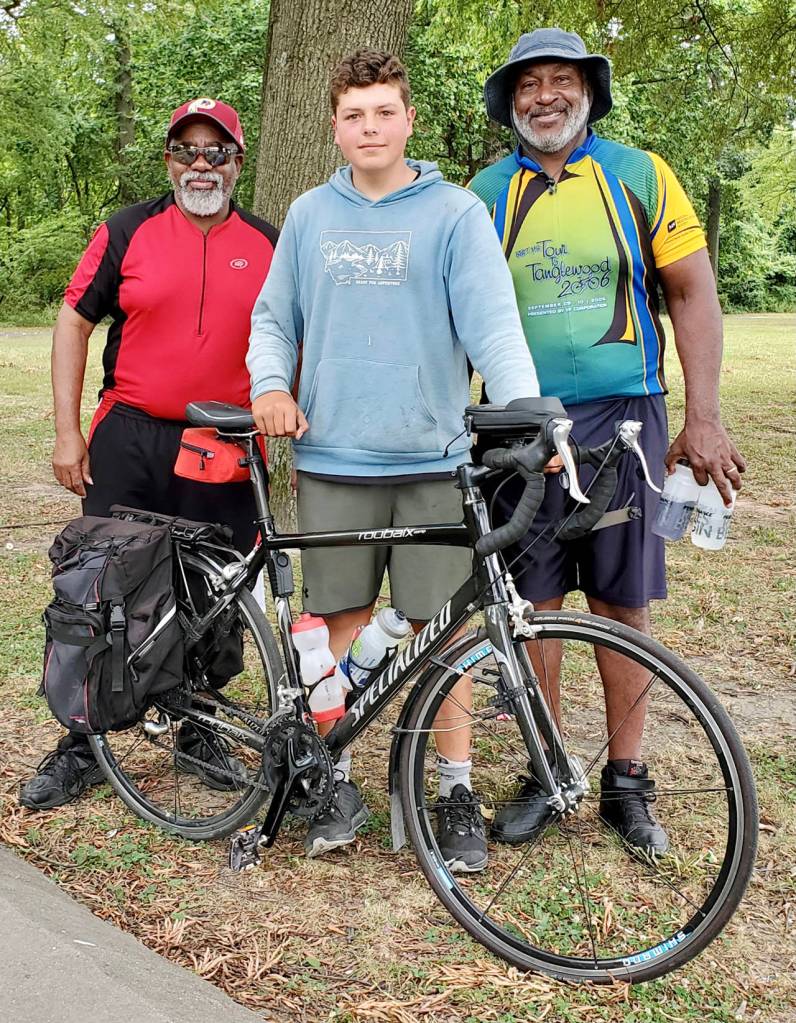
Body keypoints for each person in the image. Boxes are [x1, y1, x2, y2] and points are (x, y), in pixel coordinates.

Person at [247, 50, 541, 872]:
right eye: (354, 115)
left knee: (442, 632)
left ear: (409, 119)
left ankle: (452, 788)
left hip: (432, 459)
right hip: (333, 456)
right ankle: (333, 777)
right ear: (335, 127)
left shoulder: (454, 214)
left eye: (384, 112)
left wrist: (526, 413)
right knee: (340, 621)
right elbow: (274, 318)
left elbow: (494, 326)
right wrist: (270, 384)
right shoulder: (309, 215)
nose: (370, 127)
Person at [469, 28, 746, 856]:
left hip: (625, 417)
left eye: (562, 79)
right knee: (531, 605)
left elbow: (692, 292)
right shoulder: (483, 193)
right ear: (510, 102)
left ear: (589, 91)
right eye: (528, 84)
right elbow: (455, 314)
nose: (544, 96)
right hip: (519, 425)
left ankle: (627, 780)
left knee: (623, 599)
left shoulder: (639, 174)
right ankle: (547, 769)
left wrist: (704, 415)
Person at [20, 98, 279, 811]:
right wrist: (67, 431)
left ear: (237, 161)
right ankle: (84, 738)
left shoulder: (269, 242)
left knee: (217, 590)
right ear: (168, 160)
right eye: (186, 151)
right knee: (102, 584)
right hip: (130, 433)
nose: (201, 165)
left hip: (223, 441)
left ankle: (198, 723)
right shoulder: (126, 230)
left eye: (216, 152)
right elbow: (73, 320)